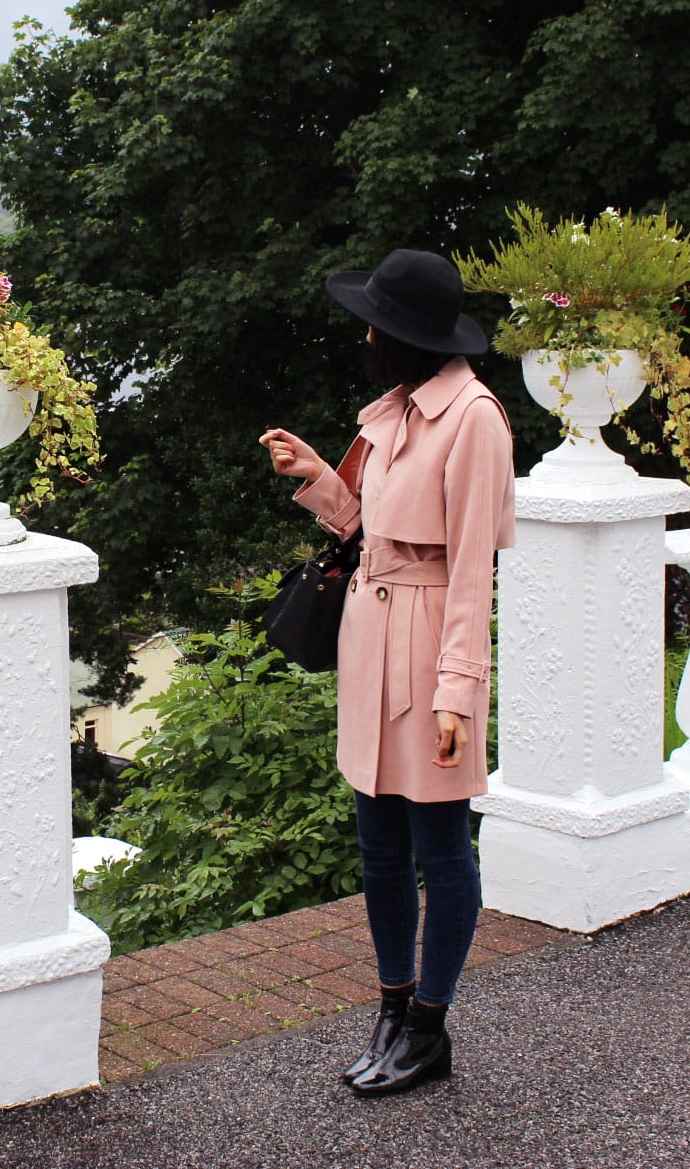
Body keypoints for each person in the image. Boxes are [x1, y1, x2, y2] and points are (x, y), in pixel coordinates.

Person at [259, 249, 515, 1097]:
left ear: (402, 334)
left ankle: (430, 1026)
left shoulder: (474, 418)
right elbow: (373, 532)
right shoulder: (396, 411)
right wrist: (320, 477)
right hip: (372, 643)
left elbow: (471, 566)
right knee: (378, 845)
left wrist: (458, 692)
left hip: (430, 647)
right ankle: (392, 1007)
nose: (365, 335)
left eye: (375, 322)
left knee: (441, 847)